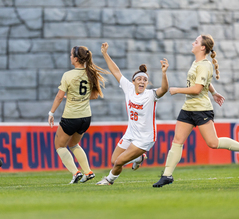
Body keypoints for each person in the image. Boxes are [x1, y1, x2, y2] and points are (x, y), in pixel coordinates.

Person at [153, 34, 238, 188]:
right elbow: (204, 83)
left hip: (201, 110)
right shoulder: (197, 62)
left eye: (196, 42)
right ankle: (166, 176)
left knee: (213, 143)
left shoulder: (204, 65)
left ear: (203, 47)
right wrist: (213, 92)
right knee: (177, 141)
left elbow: (197, 89)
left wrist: (177, 90)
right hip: (188, 108)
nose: (193, 43)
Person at [96, 42, 169, 185]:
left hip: (145, 138)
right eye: (139, 79)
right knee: (113, 160)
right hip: (130, 134)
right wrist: (105, 54)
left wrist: (164, 73)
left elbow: (165, 89)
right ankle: (139, 158)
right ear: (133, 81)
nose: (142, 82)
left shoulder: (150, 95)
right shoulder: (128, 88)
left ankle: (109, 180)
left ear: (147, 83)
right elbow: (116, 71)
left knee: (118, 162)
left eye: (145, 80)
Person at [48, 45, 108, 184]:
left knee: (59, 146)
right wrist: (75, 96)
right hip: (86, 117)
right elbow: (93, 96)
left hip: (71, 116)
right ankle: (88, 172)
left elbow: (58, 96)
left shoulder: (68, 75)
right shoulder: (90, 73)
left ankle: (76, 173)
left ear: (75, 59)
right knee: (74, 144)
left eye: (71, 55)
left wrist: (51, 112)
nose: (70, 57)